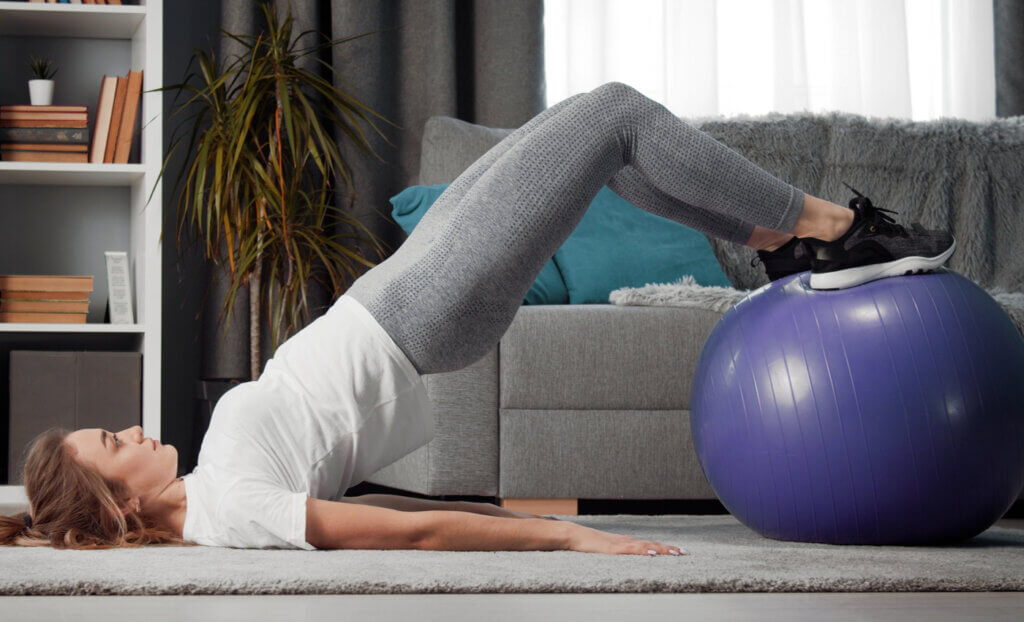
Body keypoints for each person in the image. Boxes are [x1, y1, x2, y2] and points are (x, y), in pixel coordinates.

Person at [3, 82, 954, 554]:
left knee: (608, 136)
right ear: (120, 502)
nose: (131, 427)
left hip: (402, 290)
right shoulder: (228, 508)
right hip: (423, 310)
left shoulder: (216, 486)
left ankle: (790, 248)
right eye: (111, 442)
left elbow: (381, 505)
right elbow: (399, 535)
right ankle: (835, 230)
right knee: (617, 113)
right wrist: (564, 536)